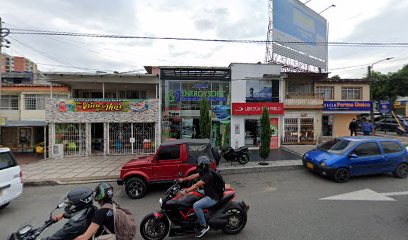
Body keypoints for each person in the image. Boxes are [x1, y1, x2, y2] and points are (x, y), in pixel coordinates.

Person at [179, 156, 222, 238]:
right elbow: (194, 176)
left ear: (204, 166)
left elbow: (197, 184)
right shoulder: (205, 171)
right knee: (194, 193)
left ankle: (204, 226)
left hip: (212, 197)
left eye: (199, 166)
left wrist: (186, 191)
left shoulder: (208, 175)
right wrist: (183, 179)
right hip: (208, 192)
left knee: (196, 205)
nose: (197, 167)